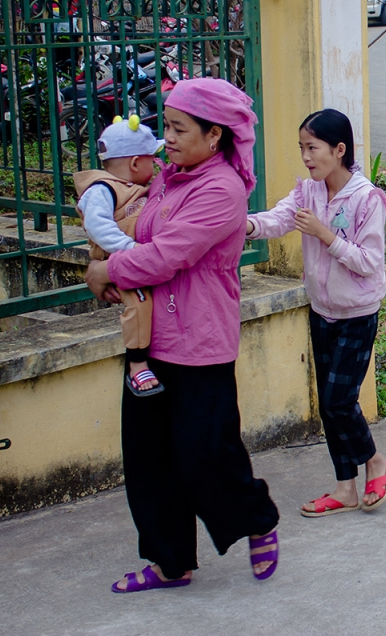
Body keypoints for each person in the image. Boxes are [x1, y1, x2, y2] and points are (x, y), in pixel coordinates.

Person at [85, 77, 281, 593]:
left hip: (199, 342)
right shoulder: (168, 180)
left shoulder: (222, 189)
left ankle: (256, 518)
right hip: (148, 341)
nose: (165, 138)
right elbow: (138, 236)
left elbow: (169, 254)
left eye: (178, 128)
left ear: (215, 135)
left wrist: (109, 273)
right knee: (148, 459)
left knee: (203, 454)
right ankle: (171, 562)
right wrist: (108, 265)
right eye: (165, 126)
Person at [245, 109, 386, 517]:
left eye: (312, 148)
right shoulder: (308, 192)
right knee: (330, 407)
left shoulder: (367, 199)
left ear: (339, 149)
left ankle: (375, 461)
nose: (306, 157)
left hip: (356, 313)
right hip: (321, 310)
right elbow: (278, 219)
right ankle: (345, 488)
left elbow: (369, 262)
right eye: (302, 148)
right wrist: (243, 226)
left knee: (337, 400)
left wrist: (325, 235)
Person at [74, 117, 163, 395]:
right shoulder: (102, 189)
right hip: (120, 261)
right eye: (153, 159)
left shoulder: (134, 187)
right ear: (136, 163)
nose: (157, 164)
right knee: (138, 300)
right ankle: (137, 364)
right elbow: (98, 226)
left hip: (134, 260)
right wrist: (129, 250)